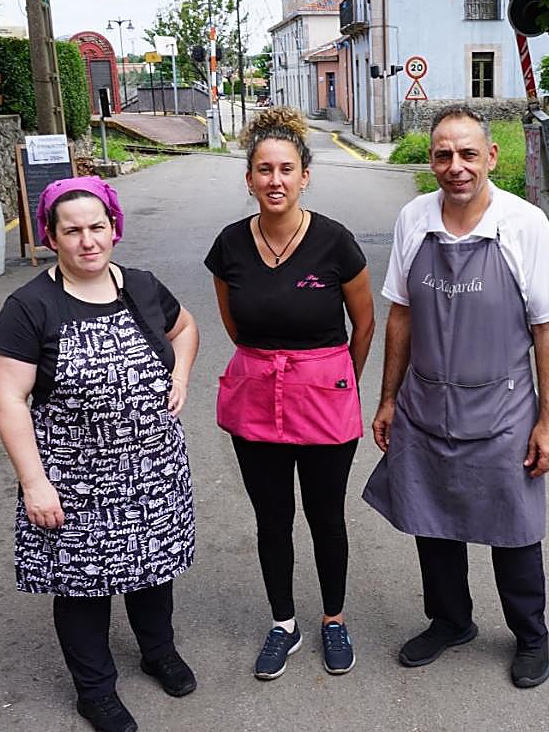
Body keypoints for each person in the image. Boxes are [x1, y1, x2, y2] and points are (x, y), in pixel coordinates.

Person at [363, 105, 549, 688]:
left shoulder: (523, 224)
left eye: (467, 154)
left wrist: (547, 421)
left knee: (514, 528)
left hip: (504, 411)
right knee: (434, 520)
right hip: (425, 403)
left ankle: (531, 635)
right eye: (443, 155)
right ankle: (451, 621)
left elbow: (547, 330)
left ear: (491, 158)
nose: (455, 167)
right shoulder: (413, 219)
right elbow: (400, 314)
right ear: (431, 160)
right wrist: (387, 399)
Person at [0, 177, 199, 732]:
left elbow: (186, 328)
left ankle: (159, 653)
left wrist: (180, 375)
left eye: (97, 227)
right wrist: (34, 482)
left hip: (153, 467)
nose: (88, 241)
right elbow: (6, 397)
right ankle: (95, 690)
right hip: (75, 476)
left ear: (114, 229)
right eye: (72, 230)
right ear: (51, 237)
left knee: (155, 570)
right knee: (81, 585)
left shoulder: (144, 287)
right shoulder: (30, 305)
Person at [205, 107, 375, 680]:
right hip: (256, 394)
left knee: (326, 516)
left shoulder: (335, 243)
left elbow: (364, 323)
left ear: (305, 175)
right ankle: (284, 623)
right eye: (263, 170)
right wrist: (269, 366)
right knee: (272, 517)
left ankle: (333, 619)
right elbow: (233, 323)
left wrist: (334, 379)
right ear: (249, 179)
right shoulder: (229, 245)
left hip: (323, 395)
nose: (274, 180)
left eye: (285, 169)